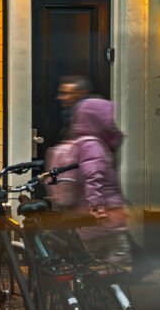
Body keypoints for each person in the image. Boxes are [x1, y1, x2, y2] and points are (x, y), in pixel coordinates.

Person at [50, 97, 133, 270]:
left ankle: (86, 291)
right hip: (103, 217)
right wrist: (97, 207)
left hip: (91, 217)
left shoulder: (83, 144)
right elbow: (93, 176)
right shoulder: (91, 145)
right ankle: (105, 292)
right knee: (120, 259)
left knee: (88, 261)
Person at [56, 74, 92, 141]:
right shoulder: (68, 114)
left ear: (81, 94)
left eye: (65, 93)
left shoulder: (91, 119)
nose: (59, 97)